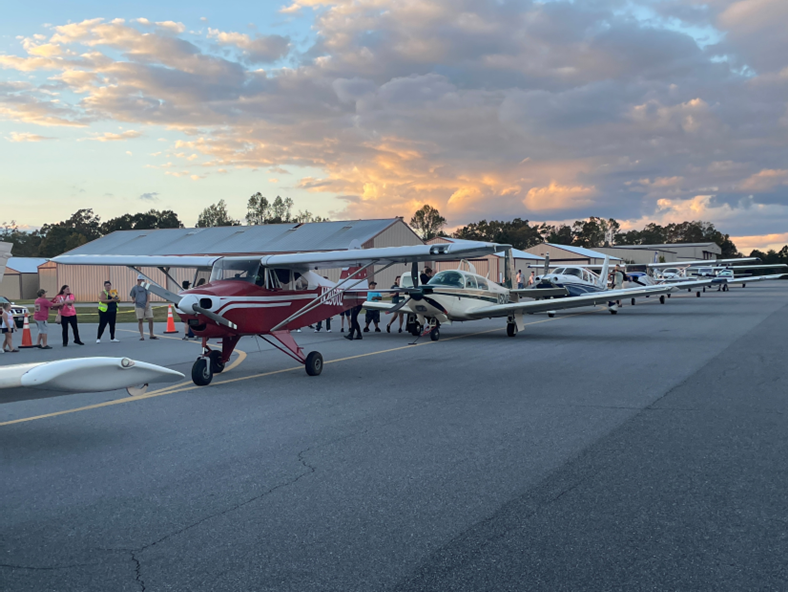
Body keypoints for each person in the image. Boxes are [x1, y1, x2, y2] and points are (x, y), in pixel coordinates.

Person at [130, 275, 158, 341]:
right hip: (139, 305)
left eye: (143, 280)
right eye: (141, 280)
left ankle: (151, 334)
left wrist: (147, 303)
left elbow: (148, 295)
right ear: (138, 280)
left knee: (150, 318)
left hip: (146, 305)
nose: (142, 281)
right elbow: (132, 295)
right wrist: (134, 300)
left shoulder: (146, 287)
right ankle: (141, 335)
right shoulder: (134, 288)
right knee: (140, 320)